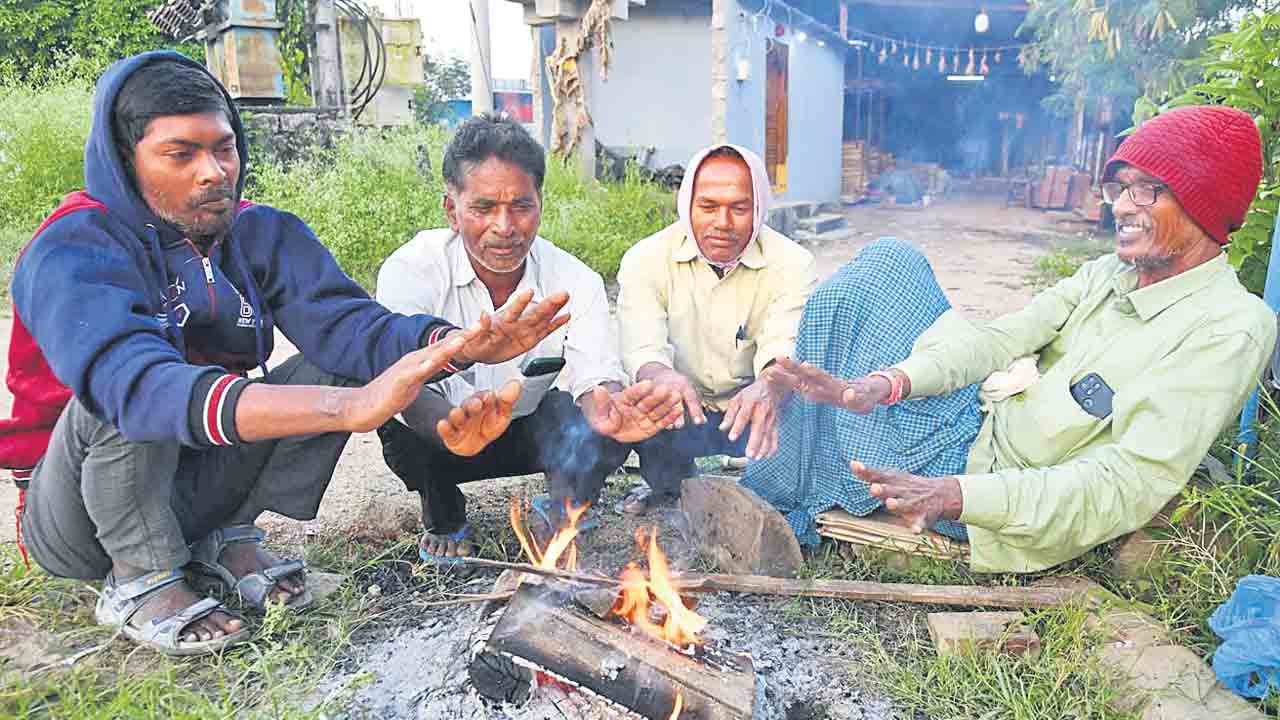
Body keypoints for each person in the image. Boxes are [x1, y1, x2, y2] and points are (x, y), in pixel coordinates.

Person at [0, 52, 567, 656]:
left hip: (189, 483)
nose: (213, 172)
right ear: (123, 159)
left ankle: (227, 535)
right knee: (132, 389)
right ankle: (141, 578)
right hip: (77, 519)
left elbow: (352, 328)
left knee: (342, 360)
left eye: (223, 148)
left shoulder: (259, 233)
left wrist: (453, 345)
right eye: (180, 154)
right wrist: (347, 407)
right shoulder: (73, 247)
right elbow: (135, 387)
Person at [746, 105, 1276, 573]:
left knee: (856, 312)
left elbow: (1128, 482)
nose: (1120, 205)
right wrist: (890, 383)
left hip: (991, 483)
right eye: (1121, 187)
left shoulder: (1229, 327)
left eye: (1147, 190)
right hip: (974, 419)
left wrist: (954, 495)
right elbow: (1000, 339)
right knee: (890, 260)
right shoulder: (1109, 274)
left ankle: (788, 486)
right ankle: (812, 451)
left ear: (1202, 202)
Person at [374, 114, 682, 563]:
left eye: (521, 206)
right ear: (451, 210)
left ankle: (564, 504)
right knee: (392, 399)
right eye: (483, 208)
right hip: (445, 434)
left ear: (540, 203)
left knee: (600, 420)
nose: (505, 226)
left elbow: (594, 377)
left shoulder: (574, 279)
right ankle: (443, 511)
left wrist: (611, 412)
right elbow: (404, 382)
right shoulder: (411, 271)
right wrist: (453, 427)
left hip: (531, 432)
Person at [615, 145, 817, 514]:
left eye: (739, 208)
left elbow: (785, 342)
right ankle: (666, 486)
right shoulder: (645, 259)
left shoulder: (792, 263)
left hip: (752, 409)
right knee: (643, 397)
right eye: (707, 207)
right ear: (686, 205)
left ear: (758, 210)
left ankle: (770, 490)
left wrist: (770, 386)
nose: (722, 222)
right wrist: (660, 376)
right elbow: (641, 345)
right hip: (679, 412)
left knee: (797, 399)